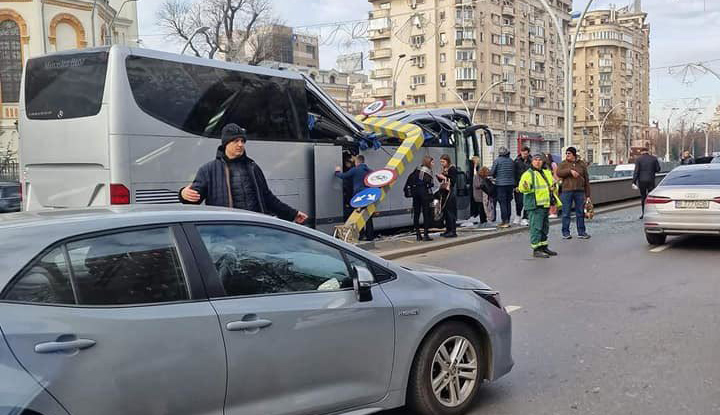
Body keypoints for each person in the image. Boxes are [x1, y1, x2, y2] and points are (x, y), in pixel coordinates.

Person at [180, 124, 308, 224]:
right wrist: (183, 194)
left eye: (242, 141)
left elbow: (268, 198)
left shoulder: (253, 167)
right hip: (224, 233)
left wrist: (292, 214)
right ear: (225, 143)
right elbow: (193, 201)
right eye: (235, 141)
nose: (240, 144)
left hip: (255, 229)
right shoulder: (208, 170)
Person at [518, 153, 562, 258]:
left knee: (544, 227)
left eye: (539, 160)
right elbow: (522, 188)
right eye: (535, 160)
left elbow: (552, 185)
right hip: (534, 204)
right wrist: (526, 186)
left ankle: (543, 246)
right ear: (532, 162)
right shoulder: (528, 174)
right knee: (536, 228)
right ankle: (536, 249)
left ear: (543, 162)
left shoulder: (546, 172)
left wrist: (554, 186)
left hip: (544, 204)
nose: (538, 162)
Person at [335, 154, 374, 241]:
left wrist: (337, 172)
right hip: (369, 196)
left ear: (357, 162)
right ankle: (370, 236)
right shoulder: (370, 171)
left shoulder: (355, 170)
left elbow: (344, 176)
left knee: (357, 215)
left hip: (359, 197)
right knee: (367, 216)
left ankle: (360, 235)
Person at [556, 147, 591, 240]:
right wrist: (569, 171)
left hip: (579, 191)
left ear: (574, 155)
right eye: (566, 153)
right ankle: (565, 232)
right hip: (567, 191)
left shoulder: (581, 164)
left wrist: (588, 195)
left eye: (569, 153)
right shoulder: (563, 164)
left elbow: (587, 179)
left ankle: (581, 232)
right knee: (566, 213)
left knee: (580, 212)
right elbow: (558, 172)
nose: (567, 155)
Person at [405, 156, 435, 241]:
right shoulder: (427, 172)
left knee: (416, 214)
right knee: (426, 214)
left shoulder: (416, 170)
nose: (433, 164)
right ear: (428, 162)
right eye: (432, 162)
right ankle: (426, 234)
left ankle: (418, 235)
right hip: (424, 194)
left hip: (415, 194)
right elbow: (430, 183)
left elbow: (410, 180)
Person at [490, 147, 516, 228]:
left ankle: (504, 221)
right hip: (510, 184)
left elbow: (492, 172)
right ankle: (508, 219)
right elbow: (514, 172)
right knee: (508, 202)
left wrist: (494, 176)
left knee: (502, 203)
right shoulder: (511, 161)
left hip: (500, 184)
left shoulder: (497, 161)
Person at [633, 147, 661, 220]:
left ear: (641, 152)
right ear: (648, 151)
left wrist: (634, 181)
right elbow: (658, 169)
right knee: (651, 197)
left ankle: (643, 213)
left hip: (641, 181)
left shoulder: (638, 159)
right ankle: (652, 212)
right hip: (651, 180)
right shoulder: (654, 158)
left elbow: (636, 171)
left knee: (643, 197)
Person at [437, 154, 459, 238]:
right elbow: (441, 180)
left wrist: (444, 176)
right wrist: (440, 177)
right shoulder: (444, 169)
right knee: (445, 212)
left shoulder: (452, 169)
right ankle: (448, 230)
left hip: (450, 192)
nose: (442, 163)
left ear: (447, 161)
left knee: (450, 212)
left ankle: (453, 231)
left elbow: (453, 180)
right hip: (444, 192)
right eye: (441, 162)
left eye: (443, 162)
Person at [513, 146, 532, 226]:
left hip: (528, 185)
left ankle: (525, 218)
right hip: (518, 184)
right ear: (521, 152)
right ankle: (518, 215)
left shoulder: (531, 161)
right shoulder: (516, 161)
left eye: (526, 153)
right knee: (519, 202)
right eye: (523, 153)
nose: (524, 155)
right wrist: (515, 186)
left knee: (527, 202)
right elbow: (513, 174)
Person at [471, 158, 489, 227]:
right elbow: (477, 185)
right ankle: (482, 221)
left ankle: (484, 220)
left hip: (481, 195)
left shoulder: (481, 177)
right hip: (478, 195)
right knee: (481, 208)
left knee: (483, 208)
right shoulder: (477, 176)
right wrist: (484, 185)